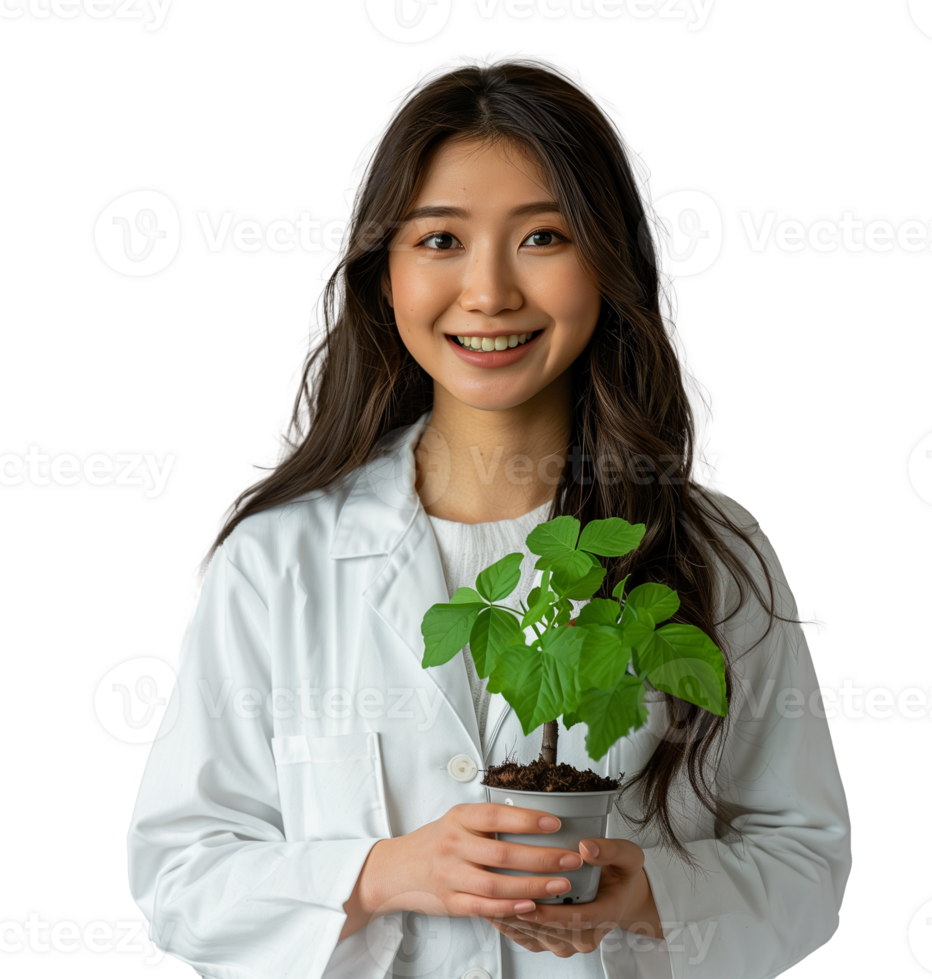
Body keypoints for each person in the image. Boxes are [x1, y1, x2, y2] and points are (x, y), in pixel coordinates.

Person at [125, 49, 853, 979]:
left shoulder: (710, 546)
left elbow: (804, 860)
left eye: (543, 237)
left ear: (609, 262)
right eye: (440, 241)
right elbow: (181, 872)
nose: (490, 293)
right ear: (380, 270)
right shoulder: (280, 558)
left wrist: (656, 898)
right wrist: (381, 875)